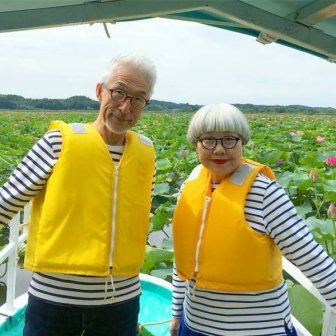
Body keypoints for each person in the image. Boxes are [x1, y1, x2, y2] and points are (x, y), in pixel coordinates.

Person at [0, 54, 157, 336]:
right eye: (119, 92)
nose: (125, 107)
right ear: (100, 91)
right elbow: (5, 202)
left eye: (138, 99)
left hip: (121, 302)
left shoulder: (146, 154)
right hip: (54, 302)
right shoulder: (58, 141)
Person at [170, 103, 336, 336]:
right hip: (194, 326)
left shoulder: (264, 193)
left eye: (229, 139)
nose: (219, 150)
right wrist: (177, 312)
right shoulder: (191, 183)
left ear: (242, 142)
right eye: (208, 140)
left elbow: (314, 260)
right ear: (196, 144)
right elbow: (182, 259)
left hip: (257, 330)